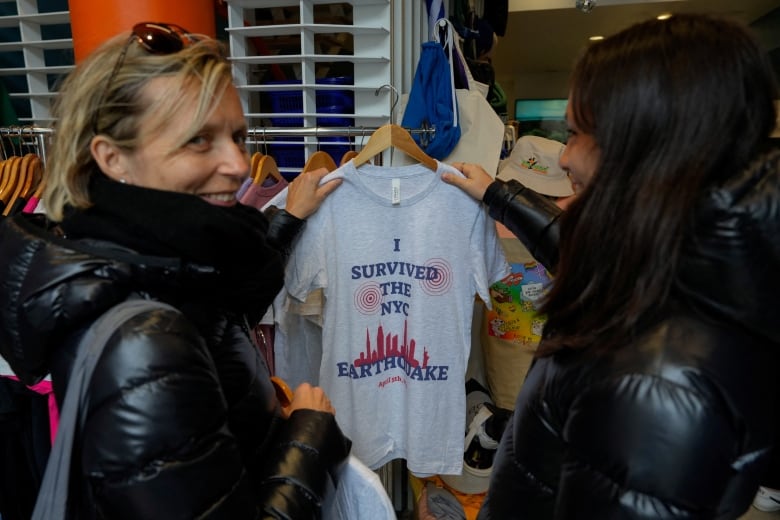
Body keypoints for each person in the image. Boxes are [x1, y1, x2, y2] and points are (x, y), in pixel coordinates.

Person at [0, 22, 348, 519]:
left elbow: (217, 304)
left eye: (237, 136)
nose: (237, 164)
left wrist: (287, 218)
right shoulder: (145, 343)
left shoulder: (129, 263)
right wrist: (311, 436)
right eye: (199, 140)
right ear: (113, 157)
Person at [442, 13, 780, 519]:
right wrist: (497, 194)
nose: (565, 158)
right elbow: (588, 261)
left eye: (578, 134)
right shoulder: (680, 265)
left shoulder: (655, 388)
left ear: (642, 149)